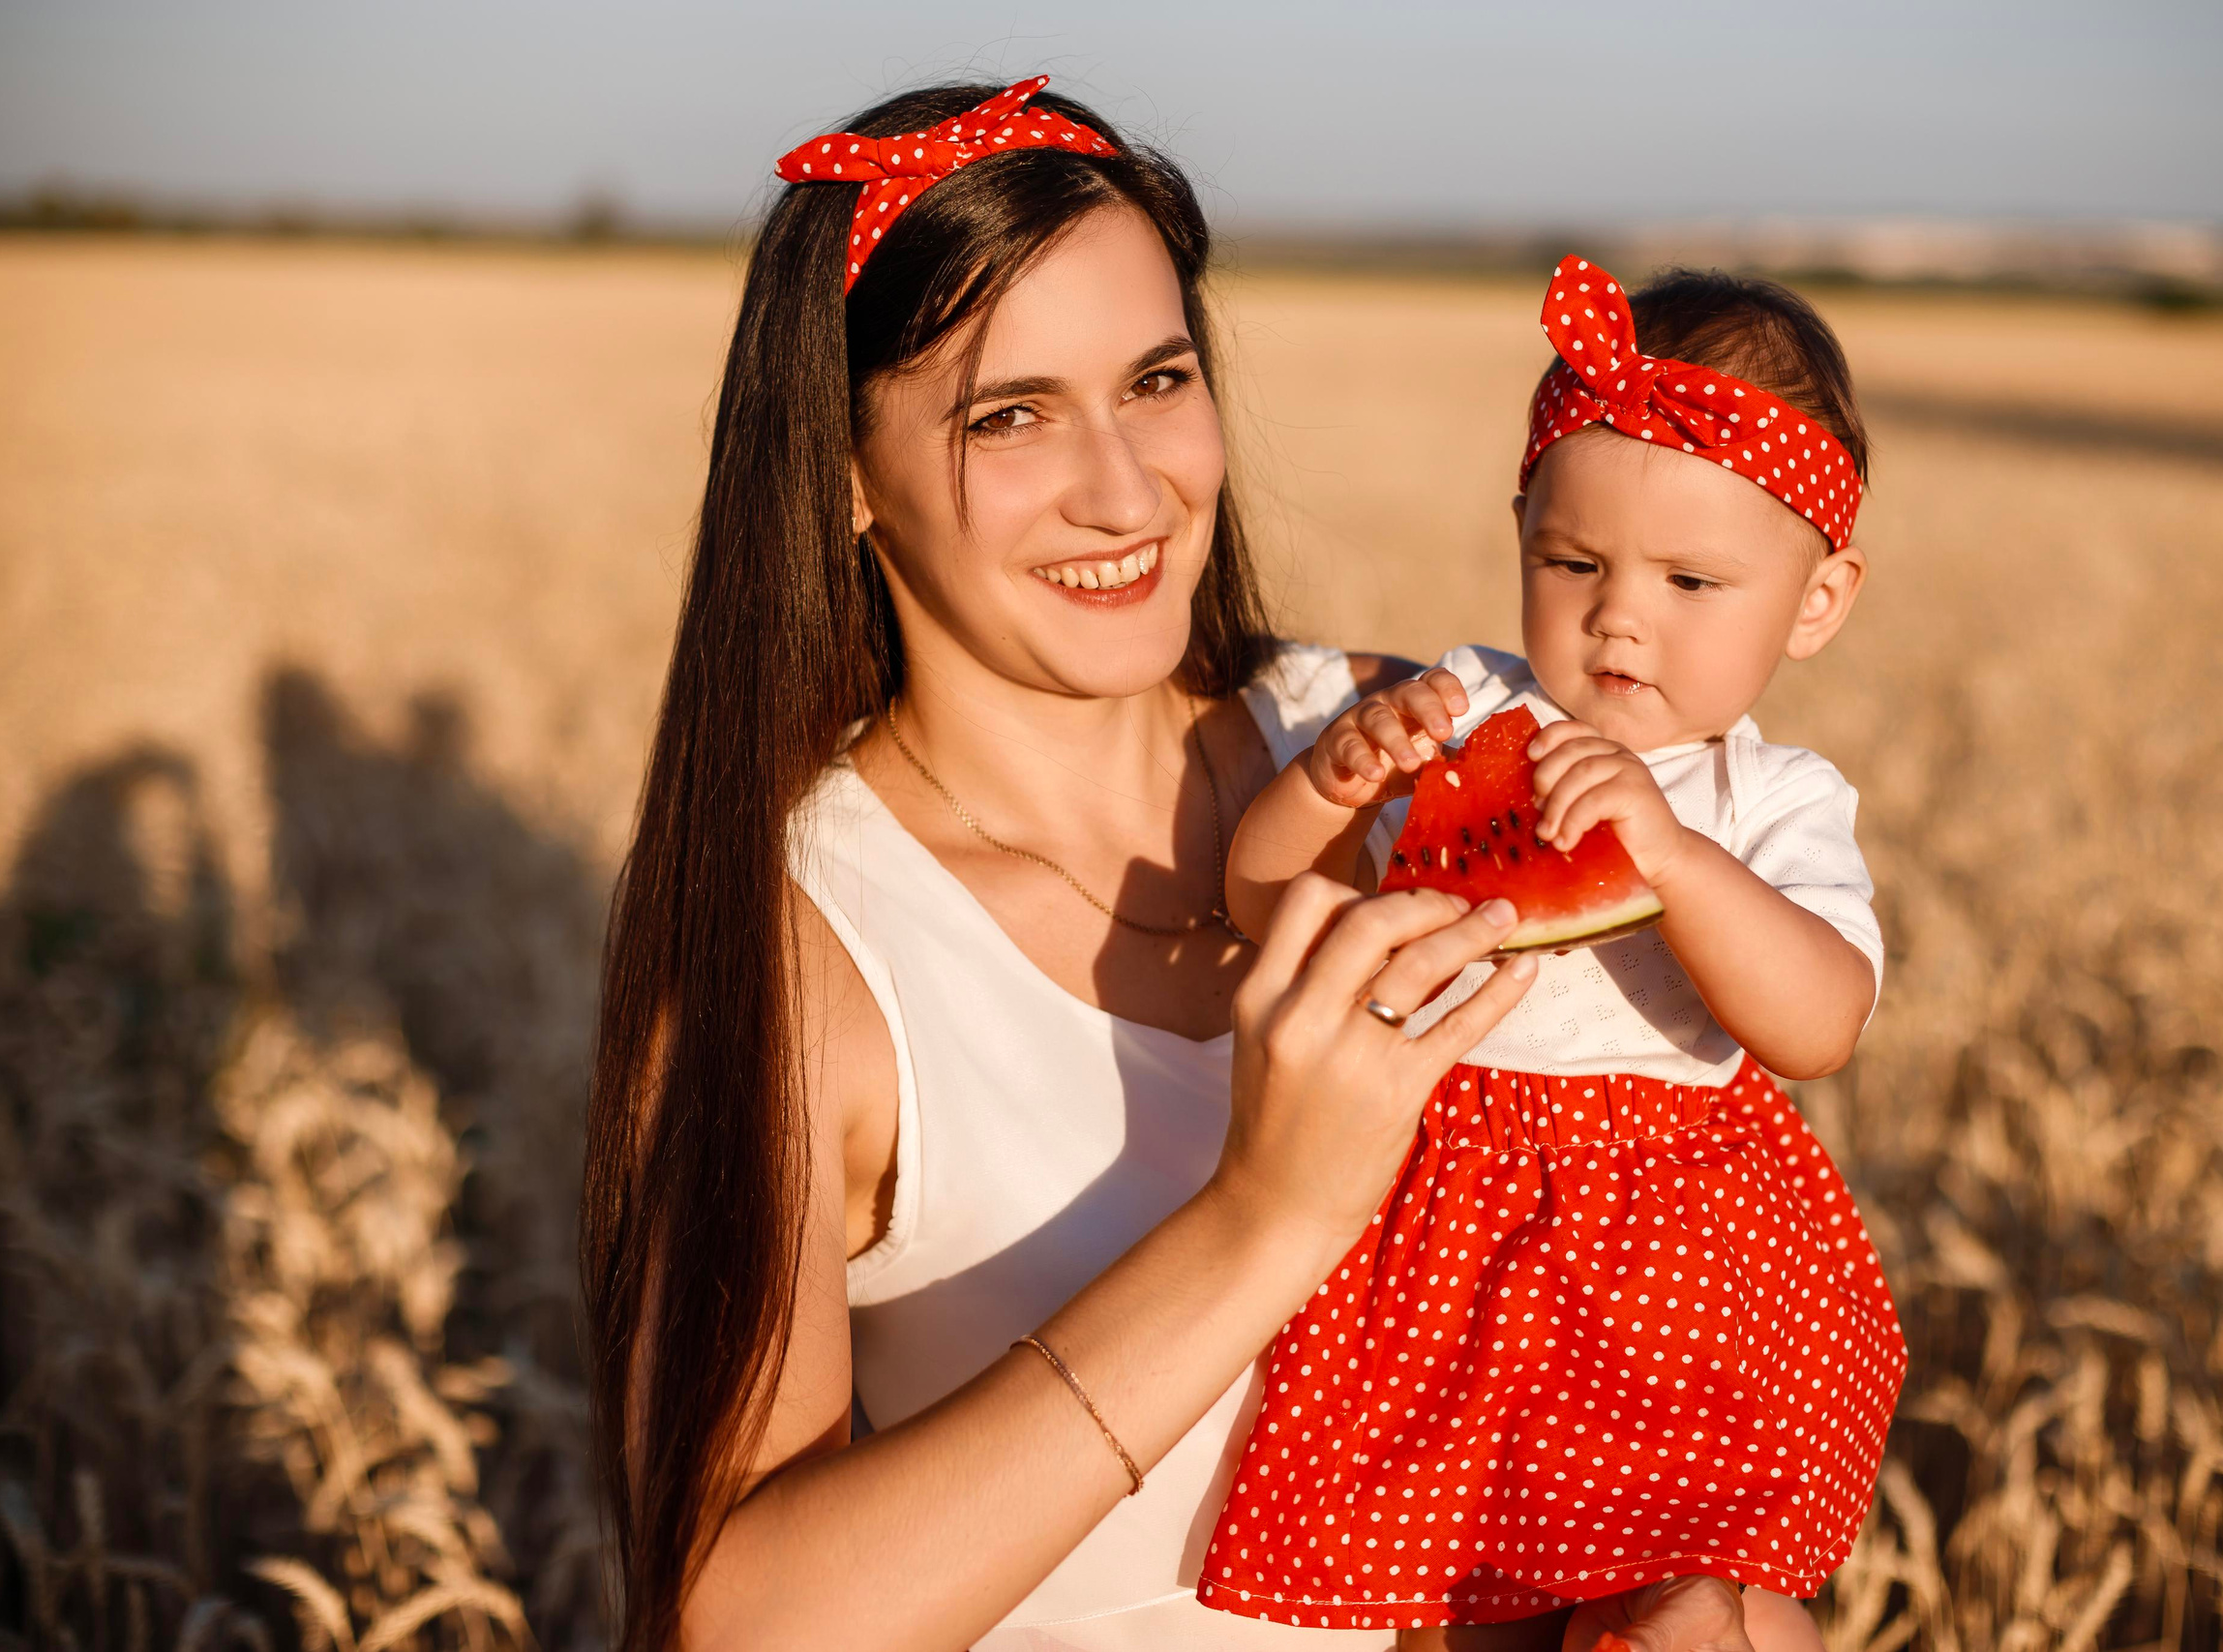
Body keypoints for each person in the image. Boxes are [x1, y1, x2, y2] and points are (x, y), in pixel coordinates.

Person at [579, 83, 1767, 1652]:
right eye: (1009, 414)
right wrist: (1263, 1221)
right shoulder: (808, 956)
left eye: (1157, 379)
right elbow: (730, 1622)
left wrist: (1689, 1597)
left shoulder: (1401, 740)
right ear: (844, 470)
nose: (1129, 490)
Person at [1205, 257, 1909, 1649]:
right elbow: (1257, 893)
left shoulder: (1770, 800)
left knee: (1705, 1613)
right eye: (1572, 563)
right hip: (1445, 1252)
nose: (1618, 616)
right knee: (1452, 1604)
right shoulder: (1469, 708)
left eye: (1692, 579)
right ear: (1520, 533)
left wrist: (1673, 859)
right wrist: (1337, 780)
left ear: (1816, 603)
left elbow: (1820, 1021)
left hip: (1680, 1280)